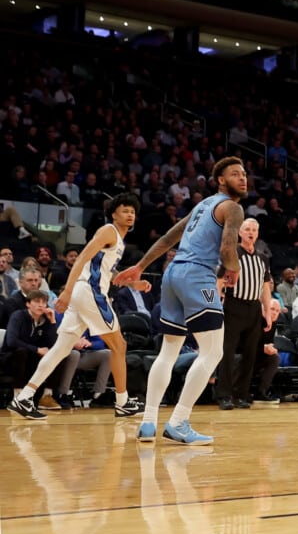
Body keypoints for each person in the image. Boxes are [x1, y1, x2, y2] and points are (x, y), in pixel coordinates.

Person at [113, 156, 246, 445]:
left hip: (173, 274)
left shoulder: (201, 206)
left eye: (244, 174)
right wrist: (232, 269)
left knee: (169, 351)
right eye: (235, 174)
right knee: (212, 352)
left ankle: (148, 423)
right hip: (197, 275)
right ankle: (178, 422)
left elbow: (167, 239)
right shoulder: (233, 208)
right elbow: (227, 247)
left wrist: (140, 265)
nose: (243, 178)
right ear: (221, 180)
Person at [7, 194, 148, 420]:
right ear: (113, 214)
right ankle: (122, 402)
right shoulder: (108, 231)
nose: (130, 214)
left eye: (132, 211)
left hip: (86, 293)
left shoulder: (118, 239)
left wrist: (133, 282)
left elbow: (103, 272)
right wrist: (68, 290)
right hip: (89, 292)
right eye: (125, 210)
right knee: (119, 345)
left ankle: (24, 397)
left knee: (61, 349)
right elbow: (82, 258)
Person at [216, 217, 273, 410]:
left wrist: (267, 309)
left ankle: (241, 394)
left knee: (250, 354)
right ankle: (224, 395)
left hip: (254, 309)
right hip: (233, 305)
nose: (251, 233)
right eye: (247, 229)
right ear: (240, 232)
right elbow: (219, 280)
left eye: (254, 230)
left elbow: (265, 287)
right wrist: (217, 302)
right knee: (228, 352)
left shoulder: (263, 258)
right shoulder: (232, 254)